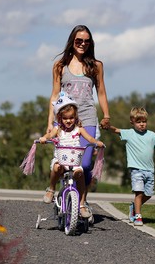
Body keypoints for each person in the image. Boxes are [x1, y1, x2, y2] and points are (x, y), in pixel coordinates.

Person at [46, 25, 110, 205]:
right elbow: (55, 95)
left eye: (87, 41)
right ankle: (63, 192)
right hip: (64, 120)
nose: (83, 44)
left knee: (85, 164)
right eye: (79, 40)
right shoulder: (60, 66)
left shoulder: (96, 66)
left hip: (87, 118)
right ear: (72, 41)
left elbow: (102, 93)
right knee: (64, 163)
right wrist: (50, 122)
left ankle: (82, 201)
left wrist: (106, 115)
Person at [108, 107, 155, 226]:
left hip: (150, 170)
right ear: (132, 122)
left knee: (149, 194)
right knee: (138, 193)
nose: (142, 124)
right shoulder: (129, 133)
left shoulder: (152, 135)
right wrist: (107, 126)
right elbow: (116, 130)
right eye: (138, 122)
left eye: (144, 122)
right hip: (136, 170)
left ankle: (134, 207)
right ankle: (138, 216)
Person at [40, 92, 105, 218]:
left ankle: (81, 204)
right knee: (56, 167)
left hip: (75, 161)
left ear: (75, 117)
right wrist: (44, 138)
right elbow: (49, 135)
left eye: (71, 118)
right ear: (60, 118)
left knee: (79, 174)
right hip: (61, 159)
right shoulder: (58, 129)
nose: (68, 121)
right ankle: (51, 189)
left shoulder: (79, 129)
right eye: (65, 118)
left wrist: (97, 142)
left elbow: (90, 138)